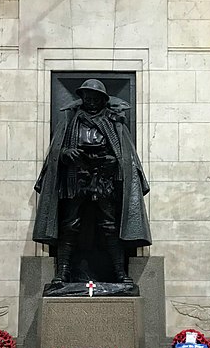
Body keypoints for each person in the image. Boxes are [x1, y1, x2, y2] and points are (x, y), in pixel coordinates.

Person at [33, 79, 151, 284]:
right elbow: (56, 152)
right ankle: (62, 273)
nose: (91, 101)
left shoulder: (113, 122)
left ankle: (120, 273)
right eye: (87, 97)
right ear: (82, 98)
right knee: (70, 225)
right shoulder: (71, 120)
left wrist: (113, 161)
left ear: (103, 100)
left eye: (96, 98)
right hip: (76, 178)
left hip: (104, 179)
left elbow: (124, 154)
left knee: (109, 225)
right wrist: (66, 153)